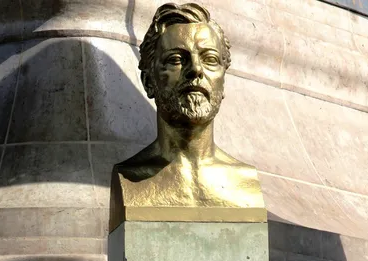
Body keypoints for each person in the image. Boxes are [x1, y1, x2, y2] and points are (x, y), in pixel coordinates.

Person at [111, 2, 263, 214]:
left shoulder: (245, 183)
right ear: (148, 82)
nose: (196, 70)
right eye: (176, 60)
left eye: (210, 59)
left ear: (223, 80)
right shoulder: (130, 178)